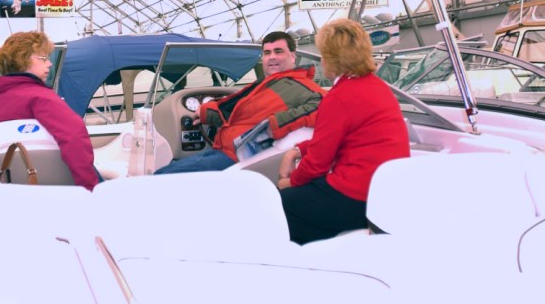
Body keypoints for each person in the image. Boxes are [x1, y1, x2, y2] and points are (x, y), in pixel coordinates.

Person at [278, 18, 410, 244]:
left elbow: (317, 164)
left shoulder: (340, 97)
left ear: (331, 58)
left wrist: (288, 182)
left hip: (356, 197)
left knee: (279, 204)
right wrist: (298, 150)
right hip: (383, 194)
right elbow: (340, 138)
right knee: (305, 202)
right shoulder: (377, 87)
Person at [155, 31, 326, 174]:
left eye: (278, 51)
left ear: (293, 56)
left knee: (161, 176)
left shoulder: (302, 87)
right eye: (267, 53)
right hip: (223, 150)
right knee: (166, 170)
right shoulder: (270, 83)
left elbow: (323, 106)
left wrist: (275, 124)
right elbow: (237, 109)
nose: (272, 57)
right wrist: (206, 113)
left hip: (238, 159)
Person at [0, 31, 100, 191]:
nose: (49, 64)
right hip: (52, 187)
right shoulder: (40, 96)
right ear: (23, 59)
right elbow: (74, 135)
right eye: (44, 58)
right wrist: (91, 189)